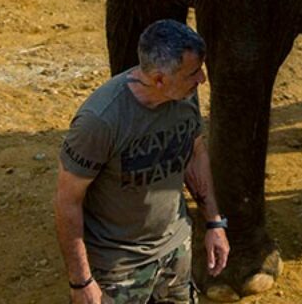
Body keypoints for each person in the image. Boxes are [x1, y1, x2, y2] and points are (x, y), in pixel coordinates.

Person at [55, 20, 228, 303]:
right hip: (118, 267)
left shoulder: (183, 95)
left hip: (176, 250)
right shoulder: (100, 121)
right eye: (193, 73)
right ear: (159, 79)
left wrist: (214, 223)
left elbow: (194, 152)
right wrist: (81, 281)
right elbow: (67, 201)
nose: (202, 80)